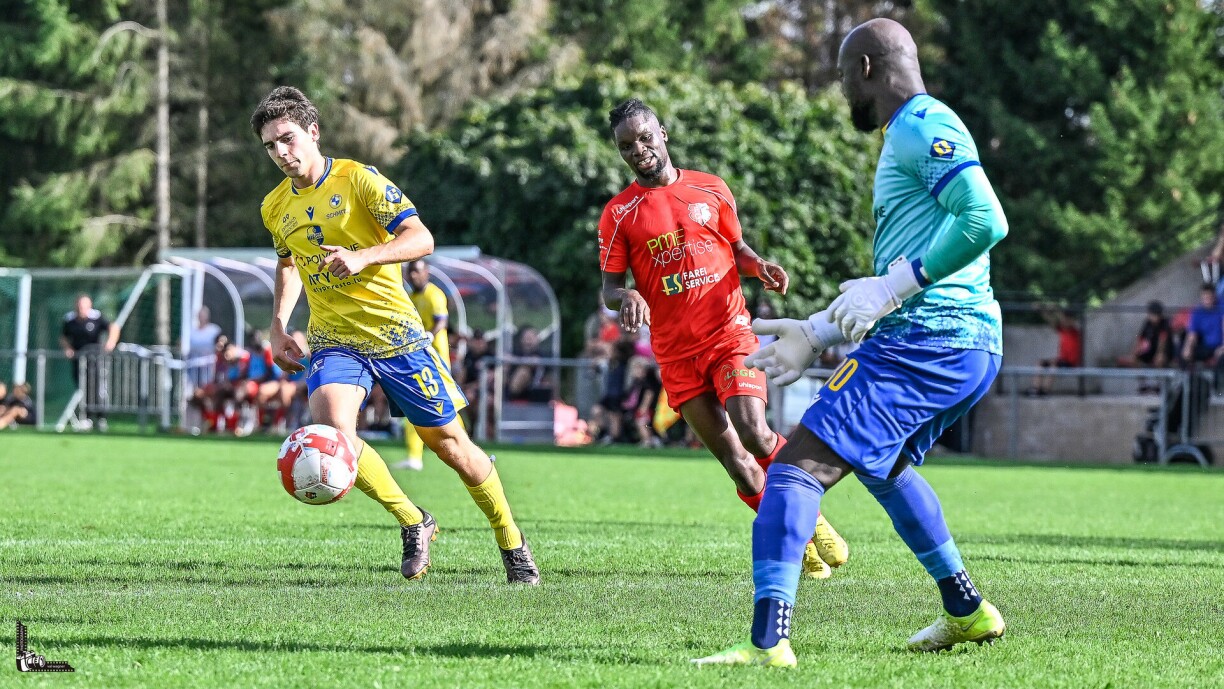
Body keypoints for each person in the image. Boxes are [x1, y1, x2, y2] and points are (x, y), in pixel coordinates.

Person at [695, 19, 1009, 666]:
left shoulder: (923, 124)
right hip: (957, 342)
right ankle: (968, 609)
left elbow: (986, 218)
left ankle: (767, 641)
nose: (842, 93)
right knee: (883, 464)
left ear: (865, 69)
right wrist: (817, 330)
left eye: (842, 78)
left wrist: (896, 287)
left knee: (791, 471)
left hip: (929, 340)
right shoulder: (916, 131)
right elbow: (902, 269)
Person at [251, 85, 538, 584]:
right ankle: (414, 521)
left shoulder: (359, 180)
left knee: (452, 448)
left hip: (398, 337)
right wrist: (277, 327)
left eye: (288, 139)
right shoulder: (276, 207)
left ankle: (511, 542)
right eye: (271, 146)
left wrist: (363, 256)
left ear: (313, 133)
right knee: (334, 436)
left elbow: (421, 238)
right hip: (334, 340)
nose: (281, 153)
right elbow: (288, 264)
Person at [598, 98, 848, 580]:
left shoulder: (710, 189)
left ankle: (811, 519)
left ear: (663, 133)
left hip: (730, 335)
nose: (639, 149)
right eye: (627, 145)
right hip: (675, 355)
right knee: (737, 464)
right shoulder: (619, 214)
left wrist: (761, 267)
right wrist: (625, 294)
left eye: (645, 137)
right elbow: (609, 288)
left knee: (755, 433)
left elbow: (737, 249)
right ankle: (793, 543)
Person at [395, 259, 451, 471]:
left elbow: (442, 321)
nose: (413, 276)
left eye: (417, 272)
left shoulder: (434, 294)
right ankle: (414, 456)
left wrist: (429, 334)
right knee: (414, 405)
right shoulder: (411, 297)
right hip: (418, 358)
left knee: (444, 408)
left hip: (436, 359)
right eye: (411, 272)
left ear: (426, 272)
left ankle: (465, 448)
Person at [60, 293, 120, 432]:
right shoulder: (70, 319)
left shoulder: (97, 317)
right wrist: (68, 348)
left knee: (97, 387)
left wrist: (110, 343)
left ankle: (100, 418)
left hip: (95, 359)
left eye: (84, 306)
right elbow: (63, 337)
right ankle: (86, 418)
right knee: (81, 387)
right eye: (80, 306)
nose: (82, 309)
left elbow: (113, 328)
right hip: (78, 360)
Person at [1027, 308, 1082, 396]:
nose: (1064, 321)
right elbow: (1052, 322)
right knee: (1040, 363)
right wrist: (1043, 311)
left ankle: (1045, 390)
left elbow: (1067, 322)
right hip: (1061, 361)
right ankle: (1036, 389)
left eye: (1066, 319)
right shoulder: (1062, 330)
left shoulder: (1074, 332)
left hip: (1070, 363)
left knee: (1054, 366)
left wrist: (1056, 310)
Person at [1180, 284, 1224, 391]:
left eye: (1209, 297)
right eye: (1205, 297)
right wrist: (1188, 348)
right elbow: (1192, 334)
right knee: (1184, 354)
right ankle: (1186, 387)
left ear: (1214, 297)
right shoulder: (1198, 311)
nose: (1207, 300)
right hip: (1206, 346)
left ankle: (1217, 390)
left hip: (1220, 345)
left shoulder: (1221, 307)